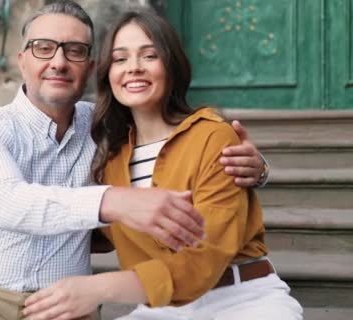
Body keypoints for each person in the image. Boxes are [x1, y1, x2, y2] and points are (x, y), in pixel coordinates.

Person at [0, 2, 268, 320]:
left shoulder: (109, 128)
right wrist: (112, 200)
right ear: (22, 60)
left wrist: (256, 168)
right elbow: (7, 201)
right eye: (43, 48)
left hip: (62, 298)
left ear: (92, 66)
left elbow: (176, 153)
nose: (58, 62)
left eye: (74, 51)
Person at [21, 9, 302, 320]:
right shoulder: (109, 160)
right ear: (106, 73)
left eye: (149, 55)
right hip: (161, 308)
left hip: (243, 299)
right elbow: (80, 231)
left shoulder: (212, 136)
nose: (134, 69)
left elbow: (203, 259)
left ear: (171, 65)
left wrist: (98, 288)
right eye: (120, 59)